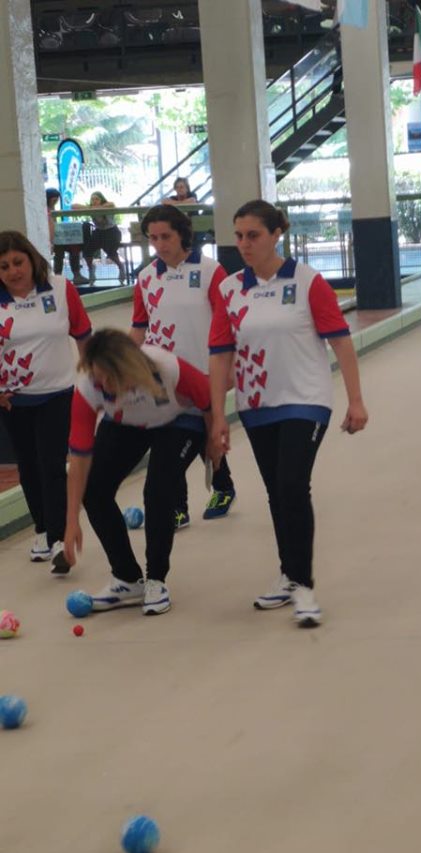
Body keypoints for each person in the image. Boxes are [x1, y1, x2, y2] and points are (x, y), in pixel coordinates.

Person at [208, 200, 368, 628]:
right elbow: (221, 354)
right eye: (238, 235)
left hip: (306, 399)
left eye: (253, 235)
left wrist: (355, 399)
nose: (243, 244)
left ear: (276, 233)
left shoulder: (307, 281)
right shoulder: (229, 290)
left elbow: (341, 342)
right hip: (257, 405)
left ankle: (304, 584)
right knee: (277, 492)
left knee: (293, 484)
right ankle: (288, 572)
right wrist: (217, 416)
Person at [64, 329, 213, 616]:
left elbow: (208, 401)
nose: (105, 384)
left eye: (112, 377)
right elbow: (80, 457)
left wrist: (214, 443)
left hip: (181, 421)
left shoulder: (164, 366)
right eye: (99, 377)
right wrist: (71, 521)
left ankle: (156, 579)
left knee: (158, 489)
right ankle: (127, 579)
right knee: (94, 491)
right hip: (129, 423)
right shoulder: (87, 389)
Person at [130, 204, 235, 528]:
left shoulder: (209, 271)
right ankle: (178, 506)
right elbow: (139, 326)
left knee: (207, 432)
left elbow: (228, 324)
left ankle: (222, 486)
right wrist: (124, 363)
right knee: (169, 439)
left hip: (205, 371)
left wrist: (229, 370)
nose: (160, 244)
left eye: (166, 236)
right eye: (153, 238)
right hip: (163, 376)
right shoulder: (146, 278)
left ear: (182, 235)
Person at [0, 230, 92, 574]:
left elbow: (83, 334)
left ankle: (57, 538)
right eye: (4, 266)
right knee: (28, 467)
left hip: (58, 393)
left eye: (18, 262)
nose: (13, 271)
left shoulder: (59, 288)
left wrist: (91, 380)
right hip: (13, 400)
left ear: (31, 259)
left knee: (52, 465)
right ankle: (41, 527)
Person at [75, 191, 126, 285]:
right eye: (92, 199)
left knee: (111, 253)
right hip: (99, 232)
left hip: (111, 232)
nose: (94, 201)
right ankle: (91, 268)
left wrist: (95, 208)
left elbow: (112, 204)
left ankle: (121, 267)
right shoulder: (90, 208)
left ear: (102, 199)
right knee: (87, 252)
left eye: (97, 199)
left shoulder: (107, 205)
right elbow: (74, 206)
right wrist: (91, 208)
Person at [46, 187, 89, 286]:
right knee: (59, 255)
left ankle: (75, 274)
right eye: (54, 199)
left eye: (57, 199)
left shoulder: (51, 208)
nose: (56, 201)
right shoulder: (46, 209)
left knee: (72, 251)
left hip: (58, 237)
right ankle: (58, 276)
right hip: (53, 238)